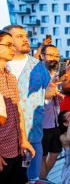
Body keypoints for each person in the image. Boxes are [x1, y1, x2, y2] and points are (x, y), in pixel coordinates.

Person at [3, 25, 53, 180]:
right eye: (19, 36)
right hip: (4, 142)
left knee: (31, 178)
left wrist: (49, 94)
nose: (25, 39)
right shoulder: (4, 65)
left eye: (25, 36)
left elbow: (48, 94)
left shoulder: (39, 66)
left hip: (32, 137)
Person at [0, 30, 35, 183]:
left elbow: (18, 110)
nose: (13, 49)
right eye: (9, 45)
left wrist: (24, 139)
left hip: (16, 147)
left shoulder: (11, 77)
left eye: (13, 45)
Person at [39, 45, 64, 181]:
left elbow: (49, 93)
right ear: (42, 56)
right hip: (42, 122)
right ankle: (42, 180)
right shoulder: (37, 73)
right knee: (42, 156)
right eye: (51, 55)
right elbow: (34, 97)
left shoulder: (53, 74)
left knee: (55, 152)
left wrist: (57, 94)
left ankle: (42, 178)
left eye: (57, 56)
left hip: (54, 120)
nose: (54, 58)